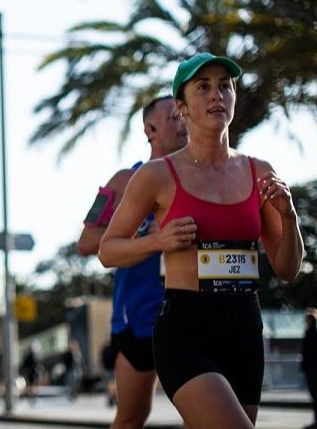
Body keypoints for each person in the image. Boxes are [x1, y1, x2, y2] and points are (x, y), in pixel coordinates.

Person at [100, 53, 304, 428]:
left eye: (224, 86)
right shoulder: (156, 176)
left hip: (244, 326)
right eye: (203, 87)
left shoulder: (259, 172)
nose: (216, 95)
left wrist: (289, 218)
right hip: (185, 328)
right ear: (182, 107)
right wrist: (158, 241)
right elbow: (106, 250)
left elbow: (288, 268)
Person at [76, 95, 188, 428]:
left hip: (188, 311)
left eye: (183, 115)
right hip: (137, 317)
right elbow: (85, 243)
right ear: (150, 129)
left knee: (203, 416)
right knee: (131, 418)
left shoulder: (201, 179)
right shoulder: (123, 181)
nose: (182, 122)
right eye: (172, 117)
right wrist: (144, 231)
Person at [302, 308, 317, 429]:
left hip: (313, 369)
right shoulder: (310, 332)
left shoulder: (312, 333)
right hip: (310, 368)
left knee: (315, 396)